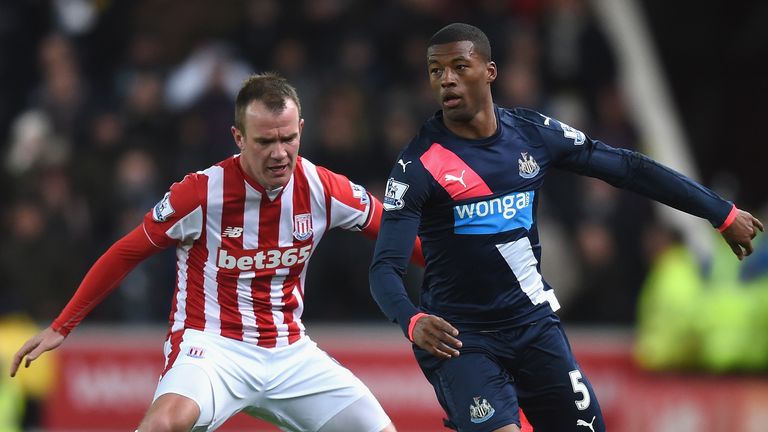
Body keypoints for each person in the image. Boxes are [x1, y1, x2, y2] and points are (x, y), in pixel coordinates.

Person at [368, 23, 763, 432]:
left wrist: (721, 212)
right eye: (436, 70)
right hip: (461, 340)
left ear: (490, 71)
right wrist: (413, 321)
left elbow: (627, 167)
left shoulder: (530, 135)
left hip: (535, 329)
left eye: (459, 66)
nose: (446, 79)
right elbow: (384, 270)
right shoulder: (418, 166)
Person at [11, 72, 423, 432]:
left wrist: (478, 267)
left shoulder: (322, 188)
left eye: (289, 138)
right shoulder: (201, 193)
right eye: (265, 141)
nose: (280, 153)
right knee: (164, 423)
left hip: (289, 350)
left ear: (301, 127)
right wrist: (62, 325)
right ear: (238, 137)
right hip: (212, 347)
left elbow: (401, 238)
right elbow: (125, 253)